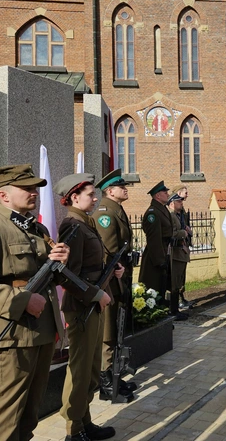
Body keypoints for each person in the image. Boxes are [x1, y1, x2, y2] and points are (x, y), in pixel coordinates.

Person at [0, 164, 69, 441]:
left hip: (43, 329)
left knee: (31, 411)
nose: (34, 193)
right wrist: (22, 300)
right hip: (13, 333)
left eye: (35, 188)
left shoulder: (38, 229)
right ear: (4, 195)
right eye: (27, 188)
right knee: (7, 412)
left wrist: (58, 262)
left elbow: (46, 278)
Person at [55, 173, 123, 441]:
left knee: (91, 368)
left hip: (93, 304)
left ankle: (85, 422)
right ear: (74, 197)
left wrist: (111, 270)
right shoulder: (72, 226)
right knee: (80, 370)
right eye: (90, 194)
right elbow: (67, 274)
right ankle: (73, 430)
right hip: (82, 306)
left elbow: (91, 266)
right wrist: (96, 294)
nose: (95, 198)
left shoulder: (86, 223)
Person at [92, 169, 137, 402]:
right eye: (121, 186)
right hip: (112, 280)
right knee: (108, 332)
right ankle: (106, 380)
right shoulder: (105, 212)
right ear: (110, 191)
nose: (125, 188)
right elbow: (108, 250)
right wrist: (117, 270)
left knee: (115, 329)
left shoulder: (116, 209)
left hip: (120, 277)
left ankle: (113, 375)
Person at [139, 181, 181, 317]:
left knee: (162, 289)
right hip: (155, 257)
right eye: (165, 192)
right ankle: (153, 318)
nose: (167, 194)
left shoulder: (161, 209)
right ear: (157, 195)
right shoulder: (153, 213)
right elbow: (154, 239)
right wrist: (159, 260)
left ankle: (161, 316)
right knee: (154, 289)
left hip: (164, 252)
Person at [168, 193, 190, 320]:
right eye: (179, 201)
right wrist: (184, 232)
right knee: (174, 283)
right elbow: (172, 233)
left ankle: (176, 309)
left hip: (181, 252)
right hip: (175, 253)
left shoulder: (179, 216)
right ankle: (173, 311)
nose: (181, 203)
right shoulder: (171, 216)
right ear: (172, 203)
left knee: (179, 282)